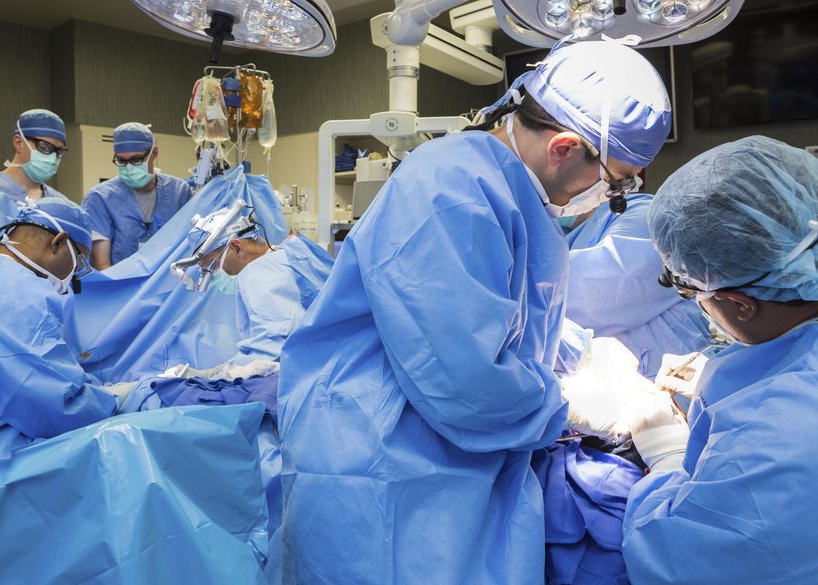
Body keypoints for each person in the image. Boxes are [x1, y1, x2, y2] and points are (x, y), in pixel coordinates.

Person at [276, 40, 672, 584]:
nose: (610, 196)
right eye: (616, 182)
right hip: (383, 468)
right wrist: (569, 403)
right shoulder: (451, 189)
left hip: (443, 463)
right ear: (563, 147)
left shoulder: (511, 193)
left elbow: (506, 312)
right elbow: (464, 379)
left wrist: (582, 349)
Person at [622, 136, 818, 584]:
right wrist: (737, 384)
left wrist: (668, 457)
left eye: (689, 289)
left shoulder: (770, 448)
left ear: (739, 304)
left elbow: (675, 562)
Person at [0, 198, 125, 476]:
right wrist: (116, 398)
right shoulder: (16, 291)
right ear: (58, 243)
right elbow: (55, 404)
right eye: (79, 264)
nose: (74, 276)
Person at [563, 193, 712, 378]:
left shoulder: (640, 214)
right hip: (612, 386)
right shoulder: (558, 233)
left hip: (669, 375)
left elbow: (594, 296)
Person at [176, 206, 333, 372]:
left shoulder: (261, 275)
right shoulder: (291, 251)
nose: (212, 275)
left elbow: (271, 352)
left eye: (211, 265)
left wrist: (213, 375)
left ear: (237, 247)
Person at [82, 122, 192, 269]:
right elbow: (101, 264)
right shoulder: (100, 198)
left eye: (136, 160)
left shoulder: (179, 192)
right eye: (121, 160)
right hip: (122, 286)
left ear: (154, 153)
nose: (129, 167)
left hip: (170, 283)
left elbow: (190, 246)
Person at [0, 109, 69, 202]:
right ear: (19, 142)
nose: (53, 159)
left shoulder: (60, 202)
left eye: (59, 151)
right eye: (45, 147)